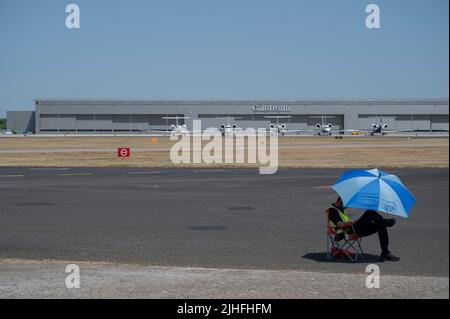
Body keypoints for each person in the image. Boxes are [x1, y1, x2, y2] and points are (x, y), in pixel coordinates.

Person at [328, 197, 400, 262]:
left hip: (353, 230)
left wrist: (352, 222)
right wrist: (350, 222)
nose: (346, 207)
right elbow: (339, 224)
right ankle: (385, 222)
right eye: (346, 205)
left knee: (381, 225)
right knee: (370, 212)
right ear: (340, 201)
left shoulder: (341, 210)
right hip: (348, 232)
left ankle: (385, 253)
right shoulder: (332, 210)